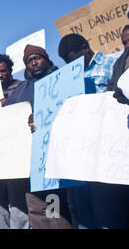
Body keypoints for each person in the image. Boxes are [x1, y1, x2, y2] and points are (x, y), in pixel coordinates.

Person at [59, 34, 129, 229]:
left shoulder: (111, 64)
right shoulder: (69, 76)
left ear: (84, 48)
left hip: (106, 153)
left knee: (107, 212)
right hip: (80, 154)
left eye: (72, 58)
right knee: (83, 214)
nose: (70, 63)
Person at [4, 44, 72, 229]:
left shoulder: (64, 78)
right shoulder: (20, 90)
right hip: (31, 159)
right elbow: (7, 116)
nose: (33, 62)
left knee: (56, 207)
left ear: (46, 58)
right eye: (28, 60)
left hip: (57, 156)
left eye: (37, 57)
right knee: (36, 207)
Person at [0, 54, 26, 229]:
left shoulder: (22, 88)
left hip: (16, 150)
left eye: (3, 71)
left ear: (10, 70)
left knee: (18, 198)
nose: (0, 75)